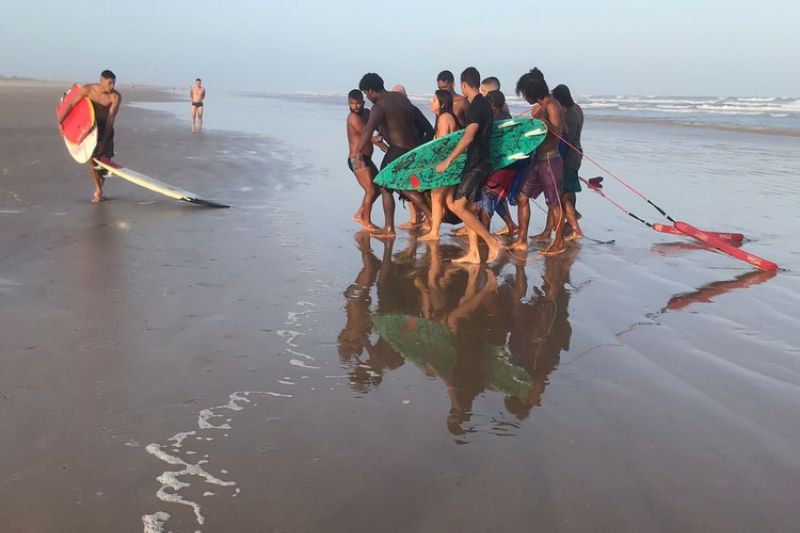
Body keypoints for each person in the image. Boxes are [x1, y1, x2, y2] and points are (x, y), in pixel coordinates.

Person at [435, 67, 502, 263]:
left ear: (464, 84)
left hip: (476, 163)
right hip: (481, 161)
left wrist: (448, 160)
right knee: (469, 208)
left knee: (457, 205)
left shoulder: (475, 106)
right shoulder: (484, 105)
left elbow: (469, 136)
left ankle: (491, 242)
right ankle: (473, 252)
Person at [353, 73, 433, 237]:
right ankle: (431, 216)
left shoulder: (379, 106)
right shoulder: (402, 100)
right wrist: (421, 148)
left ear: (370, 91)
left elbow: (368, 129)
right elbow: (428, 129)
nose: (367, 98)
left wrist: (358, 152)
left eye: (366, 94)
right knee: (400, 185)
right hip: (413, 150)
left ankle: (389, 228)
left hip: (396, 150)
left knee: (384, 185)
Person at [511, 68, 566, 256]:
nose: (524, 97)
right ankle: (521, 240)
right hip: (537, 160)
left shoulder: (551, 106)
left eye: (525, 93)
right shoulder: (542, 107)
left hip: (550, 160)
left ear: (533, 91)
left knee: (554, 203)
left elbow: (558, 132)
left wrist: (540, 118)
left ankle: (559, 243)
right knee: (522, 197)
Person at [57, 69, 121, 203]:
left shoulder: (114, 97)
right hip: (90, 131)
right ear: (101, 81)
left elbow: (110, 119)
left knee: (103, 164)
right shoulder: (88, 90)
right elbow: (72, 104)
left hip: (106, 130)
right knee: (92, 161)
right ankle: (98, 190)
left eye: (114, 84)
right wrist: (61, 121)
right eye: (110, 83)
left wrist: (104, 140)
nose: (112, 86)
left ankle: (99, 188)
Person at [391, 84, 434, 229]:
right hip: (402, 154)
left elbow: (428, 130)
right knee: (405, 184)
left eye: (399, 97)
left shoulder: (413, 111)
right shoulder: (393, 113)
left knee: (414, 185)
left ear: (405, 97)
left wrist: (422, 150)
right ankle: (415, 217)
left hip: (415, 154)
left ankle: (421, 217)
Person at [420, 89, 461, 241]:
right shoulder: (448, 117)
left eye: (434, 100)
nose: (431, 103)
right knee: (449, 202)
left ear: (442, 103)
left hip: (445, 165)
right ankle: (473, 222)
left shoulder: (444, 118)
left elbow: (442, 145)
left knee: (436, 196)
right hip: (451, 165)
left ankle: (434, 232)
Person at [477, 90, 518, 236]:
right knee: (497, 196)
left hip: (501, 166)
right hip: (510, 166)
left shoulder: (497, 121)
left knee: (488, 195)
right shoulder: (506, 117)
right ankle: (511, 226)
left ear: (493, 104)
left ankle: (485, 235)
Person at [551, 84, 584, 240]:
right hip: (577, 154)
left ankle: (575, 229)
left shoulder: (566, 114)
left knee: (562, 194)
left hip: (568, 156)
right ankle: (573, 218)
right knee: (569, 190)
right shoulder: (577, 109)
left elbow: (563, 137)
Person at [346, 89, 381, 231]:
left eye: (358, 103)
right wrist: (384, 145)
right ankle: (366, 221)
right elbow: (368, 135)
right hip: (357, 159)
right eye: (353, 104)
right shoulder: (352, 118)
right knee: (370, 190)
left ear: (363, 102)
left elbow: (375, 123)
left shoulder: (365, 113)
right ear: (348, 103)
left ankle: (360, 214)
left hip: (366, 158)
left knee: (378, 188)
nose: (356, 106)